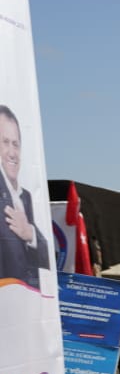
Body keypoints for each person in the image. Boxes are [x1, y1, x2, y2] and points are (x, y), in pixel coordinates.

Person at [0, 106, 48, 289]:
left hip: (32, 301)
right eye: (5, 142)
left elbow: (49, 258)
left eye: (15, 143)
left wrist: (30, 233)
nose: (12, 152)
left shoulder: (27, 197)